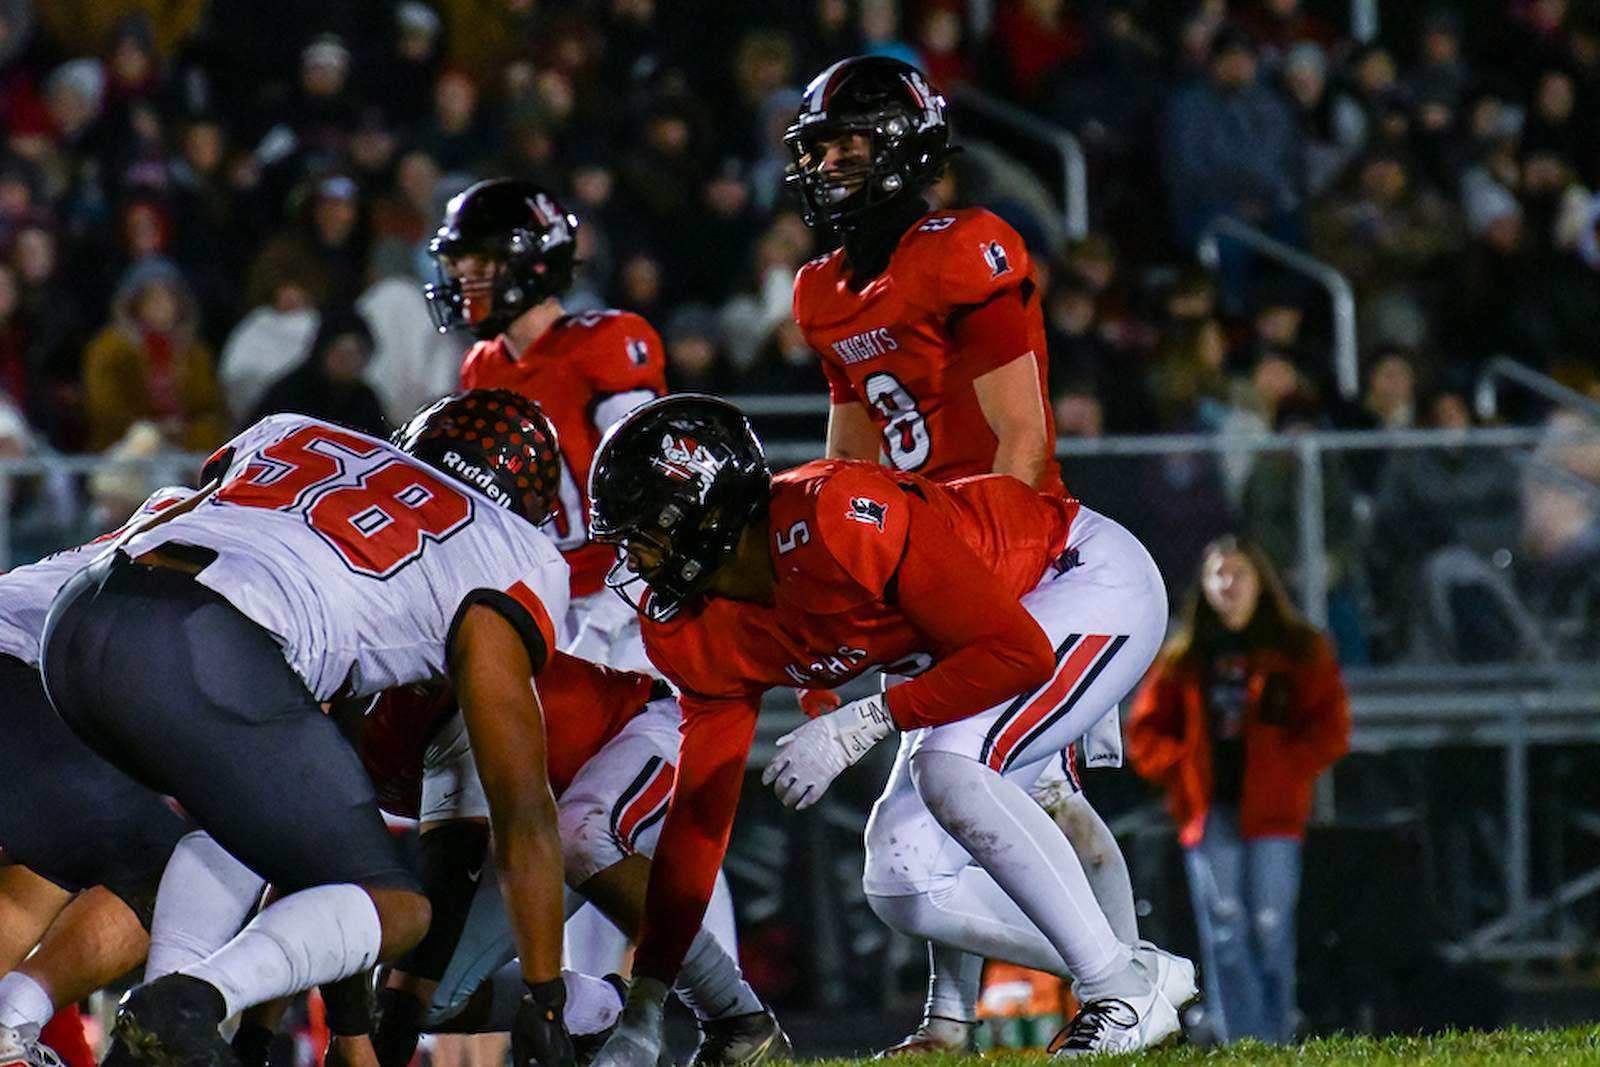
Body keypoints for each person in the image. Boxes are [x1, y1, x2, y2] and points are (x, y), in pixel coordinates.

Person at [585, 396, 1197, 1066]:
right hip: (980, 643)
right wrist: (650, 995)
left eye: (645, 533)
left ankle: (1115, 987)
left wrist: (869, 718)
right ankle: (1115, 975)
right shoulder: (692, 627)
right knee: (902, 878)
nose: (633, 560)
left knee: (951, 768)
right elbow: (698, 823)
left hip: (1075, 580)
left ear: (706, 516)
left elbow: (1016, 653)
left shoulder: (835, 517)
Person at [40, 390, 578, 1067]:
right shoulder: (508, 553)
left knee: (241, 819)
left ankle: (148, 1040)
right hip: (204, 646)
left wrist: (308, 1034)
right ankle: (186, 1000)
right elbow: (523, 812)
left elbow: (311, 826)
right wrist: (545, 995)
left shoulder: (299, 432)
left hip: (76, 619)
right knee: (399, 907)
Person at [784, 54, 1143, 1053]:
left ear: (902, 150)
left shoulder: (962, 249)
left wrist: (981, 587)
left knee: (1035, 792)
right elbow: (850, 450)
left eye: (848, 147)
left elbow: (1020, 438)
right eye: (819, 150)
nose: (828, 167)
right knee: (952, 787)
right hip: (912, 552)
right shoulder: (821, 288)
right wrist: (848, 569)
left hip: (1008, 550)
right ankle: (956, 1015)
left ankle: (1126, 985)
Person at [407, 179, 784, 1065]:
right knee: (564, 827)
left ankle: (724, 1009)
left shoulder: (611, 339)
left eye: (480, 259)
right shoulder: (482, 365)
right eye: (460, 261)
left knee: (650, 826)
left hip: (620, 600)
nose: (464, 277)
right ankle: (597, 1023)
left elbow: (655, 475)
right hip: (544, 611)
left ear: (533, 261)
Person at [1125, 535, 1351, 1045]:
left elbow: (1330, 724)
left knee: (1271, 925)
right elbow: (1145, 731)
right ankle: (1242, 1040)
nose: (1228, 585)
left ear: (1260, 582)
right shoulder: (1185, 655)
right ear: (1203, 587)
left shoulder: (1297, 649)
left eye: (1239, 573)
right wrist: (1181, 768)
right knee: (1224, 930)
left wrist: (1291, 765)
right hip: (1209, 814)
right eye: (1218, 574)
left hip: (1274, 813)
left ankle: (1276, 1033)